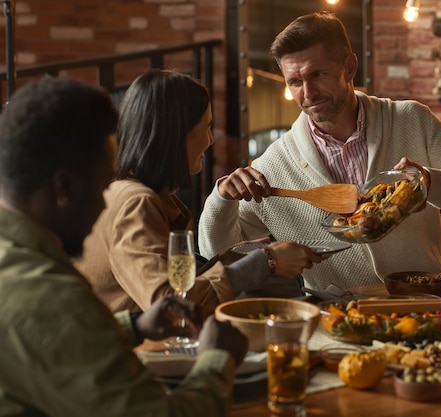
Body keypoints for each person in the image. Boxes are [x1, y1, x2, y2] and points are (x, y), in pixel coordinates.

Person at [198, 11, 441, 292]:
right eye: (294, 81)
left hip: (424, 302)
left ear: (349, 67)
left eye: (317, 75)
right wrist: (222, 199)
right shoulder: (272, 168)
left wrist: (427, 182)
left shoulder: (411, 120)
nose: (307, 93)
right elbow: (217, 256)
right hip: (336, 323)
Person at [0, 76, 249, 416]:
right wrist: (217, 359)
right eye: (102, 187)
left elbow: (54, 341)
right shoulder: (48, 297)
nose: (105, 207)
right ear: (63, 187)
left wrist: (133, 327)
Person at [74, 69, 321, 320]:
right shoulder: (136, 202)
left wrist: (224, 262)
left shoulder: (130, 193)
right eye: (207, 127)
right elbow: (171, 305)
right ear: (177, 134)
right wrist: (266, 261)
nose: (211, 140)